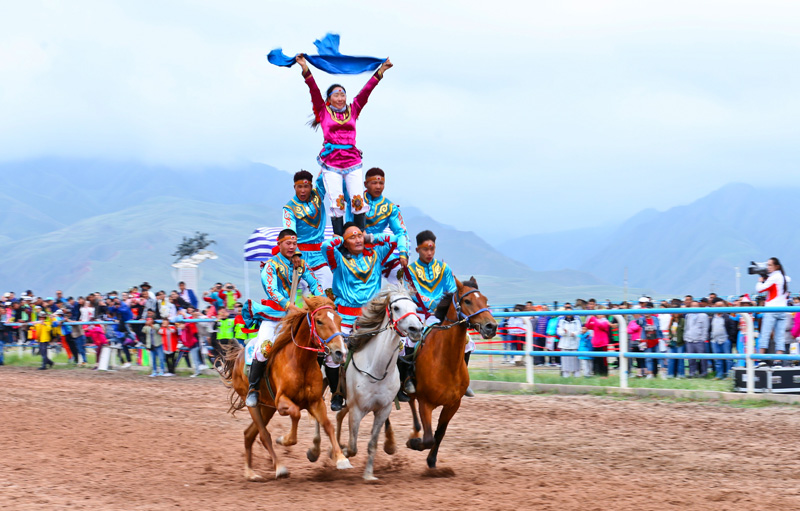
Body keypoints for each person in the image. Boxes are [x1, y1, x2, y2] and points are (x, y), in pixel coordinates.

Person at [295, 54, 393, 235]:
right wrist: (304, 68)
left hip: (352, 160)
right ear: (329, 99)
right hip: (331, 162)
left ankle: (360, 235)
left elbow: (366, 91)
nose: (340, 98)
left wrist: (381, 71)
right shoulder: (323, 112)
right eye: (336, 95)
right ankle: (339, 238)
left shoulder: (353, 109)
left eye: (343, 94)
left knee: (357, 199)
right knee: (337, 201)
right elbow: (314, 90)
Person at [244, 229, 324, 408]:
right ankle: (253, 388)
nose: (291, 247)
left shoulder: (300, 264)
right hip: (273, 315)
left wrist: (321, 301)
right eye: (288, 243)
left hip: (293, 316)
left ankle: (314, 387)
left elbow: (314, 282)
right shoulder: (270, 266)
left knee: (316, 343)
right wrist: (289, 306)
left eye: (294, 244)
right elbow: (271, 290)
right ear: (279, 243)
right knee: (264, 348)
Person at [321, 223, 398, 410]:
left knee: (399, 346)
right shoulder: (337, 259)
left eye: (359, 236)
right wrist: (340, 237)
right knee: (332, 357)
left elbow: (394, 240)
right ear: (344, 243)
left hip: (373, 318)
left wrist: (369, 237)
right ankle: (336, 393)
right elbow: (326, 246)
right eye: (352, 237)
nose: (357, 239)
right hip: (346, 318)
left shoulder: (377, 254)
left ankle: (399, 388)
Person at [404, 230, 460, 397]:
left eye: (432, 249)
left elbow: (452, 290)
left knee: (466, 341)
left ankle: (461, 379)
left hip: (441, 315)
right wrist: (434, 303)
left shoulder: (444, 268)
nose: (429, 253)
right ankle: (408, 378)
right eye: (425, 249)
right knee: (409, 341)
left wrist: (441, 306)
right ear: (417, 250)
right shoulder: (410, 271)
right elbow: (415, 293)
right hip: (420, 314)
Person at [282, 170, 332, 291]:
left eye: (306, 186)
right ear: (294, 187)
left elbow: (325, 174)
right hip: (300, 258)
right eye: (299, 187)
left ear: (311, 186)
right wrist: (295, 254)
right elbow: (289, 232)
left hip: (320, 256)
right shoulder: (289, 209)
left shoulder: (318, 195)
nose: (303, 190)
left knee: (329, 290)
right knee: (300, 300)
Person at [755, 257, 790, 367]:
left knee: (765, 334)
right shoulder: (784, 277)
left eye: (770, 265)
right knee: (779, 336)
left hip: (771, 309)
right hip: (783, 310)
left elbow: (760, 289)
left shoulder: (774, 277)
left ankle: (761, 359)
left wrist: (760, 281)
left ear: (776, 266)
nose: (768, 267)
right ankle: (778, 361)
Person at [708, 301, 737, 378]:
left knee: (728, 359)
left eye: (720, 306)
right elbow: (709, 329)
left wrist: (730, 338)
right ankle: (719, 375)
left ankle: (729, 375)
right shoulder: (712, 318)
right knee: (717, 360)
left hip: (725, 340)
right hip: (714, 341)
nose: (718, 307)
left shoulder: (728, 317)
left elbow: (733, 328)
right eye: (717, 306)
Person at [684, 302, 710, 377]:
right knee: (690, 358)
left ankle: (704, 372)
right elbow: (686, 327)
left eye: (695, 306)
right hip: (689, 340)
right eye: (692, 306)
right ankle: (692, 372)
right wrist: (686, 337)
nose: (694, 307)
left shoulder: (703, 315)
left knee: (702, 358)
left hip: (699, 340)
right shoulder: (688, 315)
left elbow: (705, 328)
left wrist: (703, 338)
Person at [556, 309, 581, 377]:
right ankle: (566, 376)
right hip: (564, 343)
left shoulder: (577, 321)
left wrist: (574, 333)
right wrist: (565, 332)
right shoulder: (561, 321)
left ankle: (576, 375)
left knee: (575, 361)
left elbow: (579, 330)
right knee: (565, 361)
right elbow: (559, 331)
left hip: (574, 343)